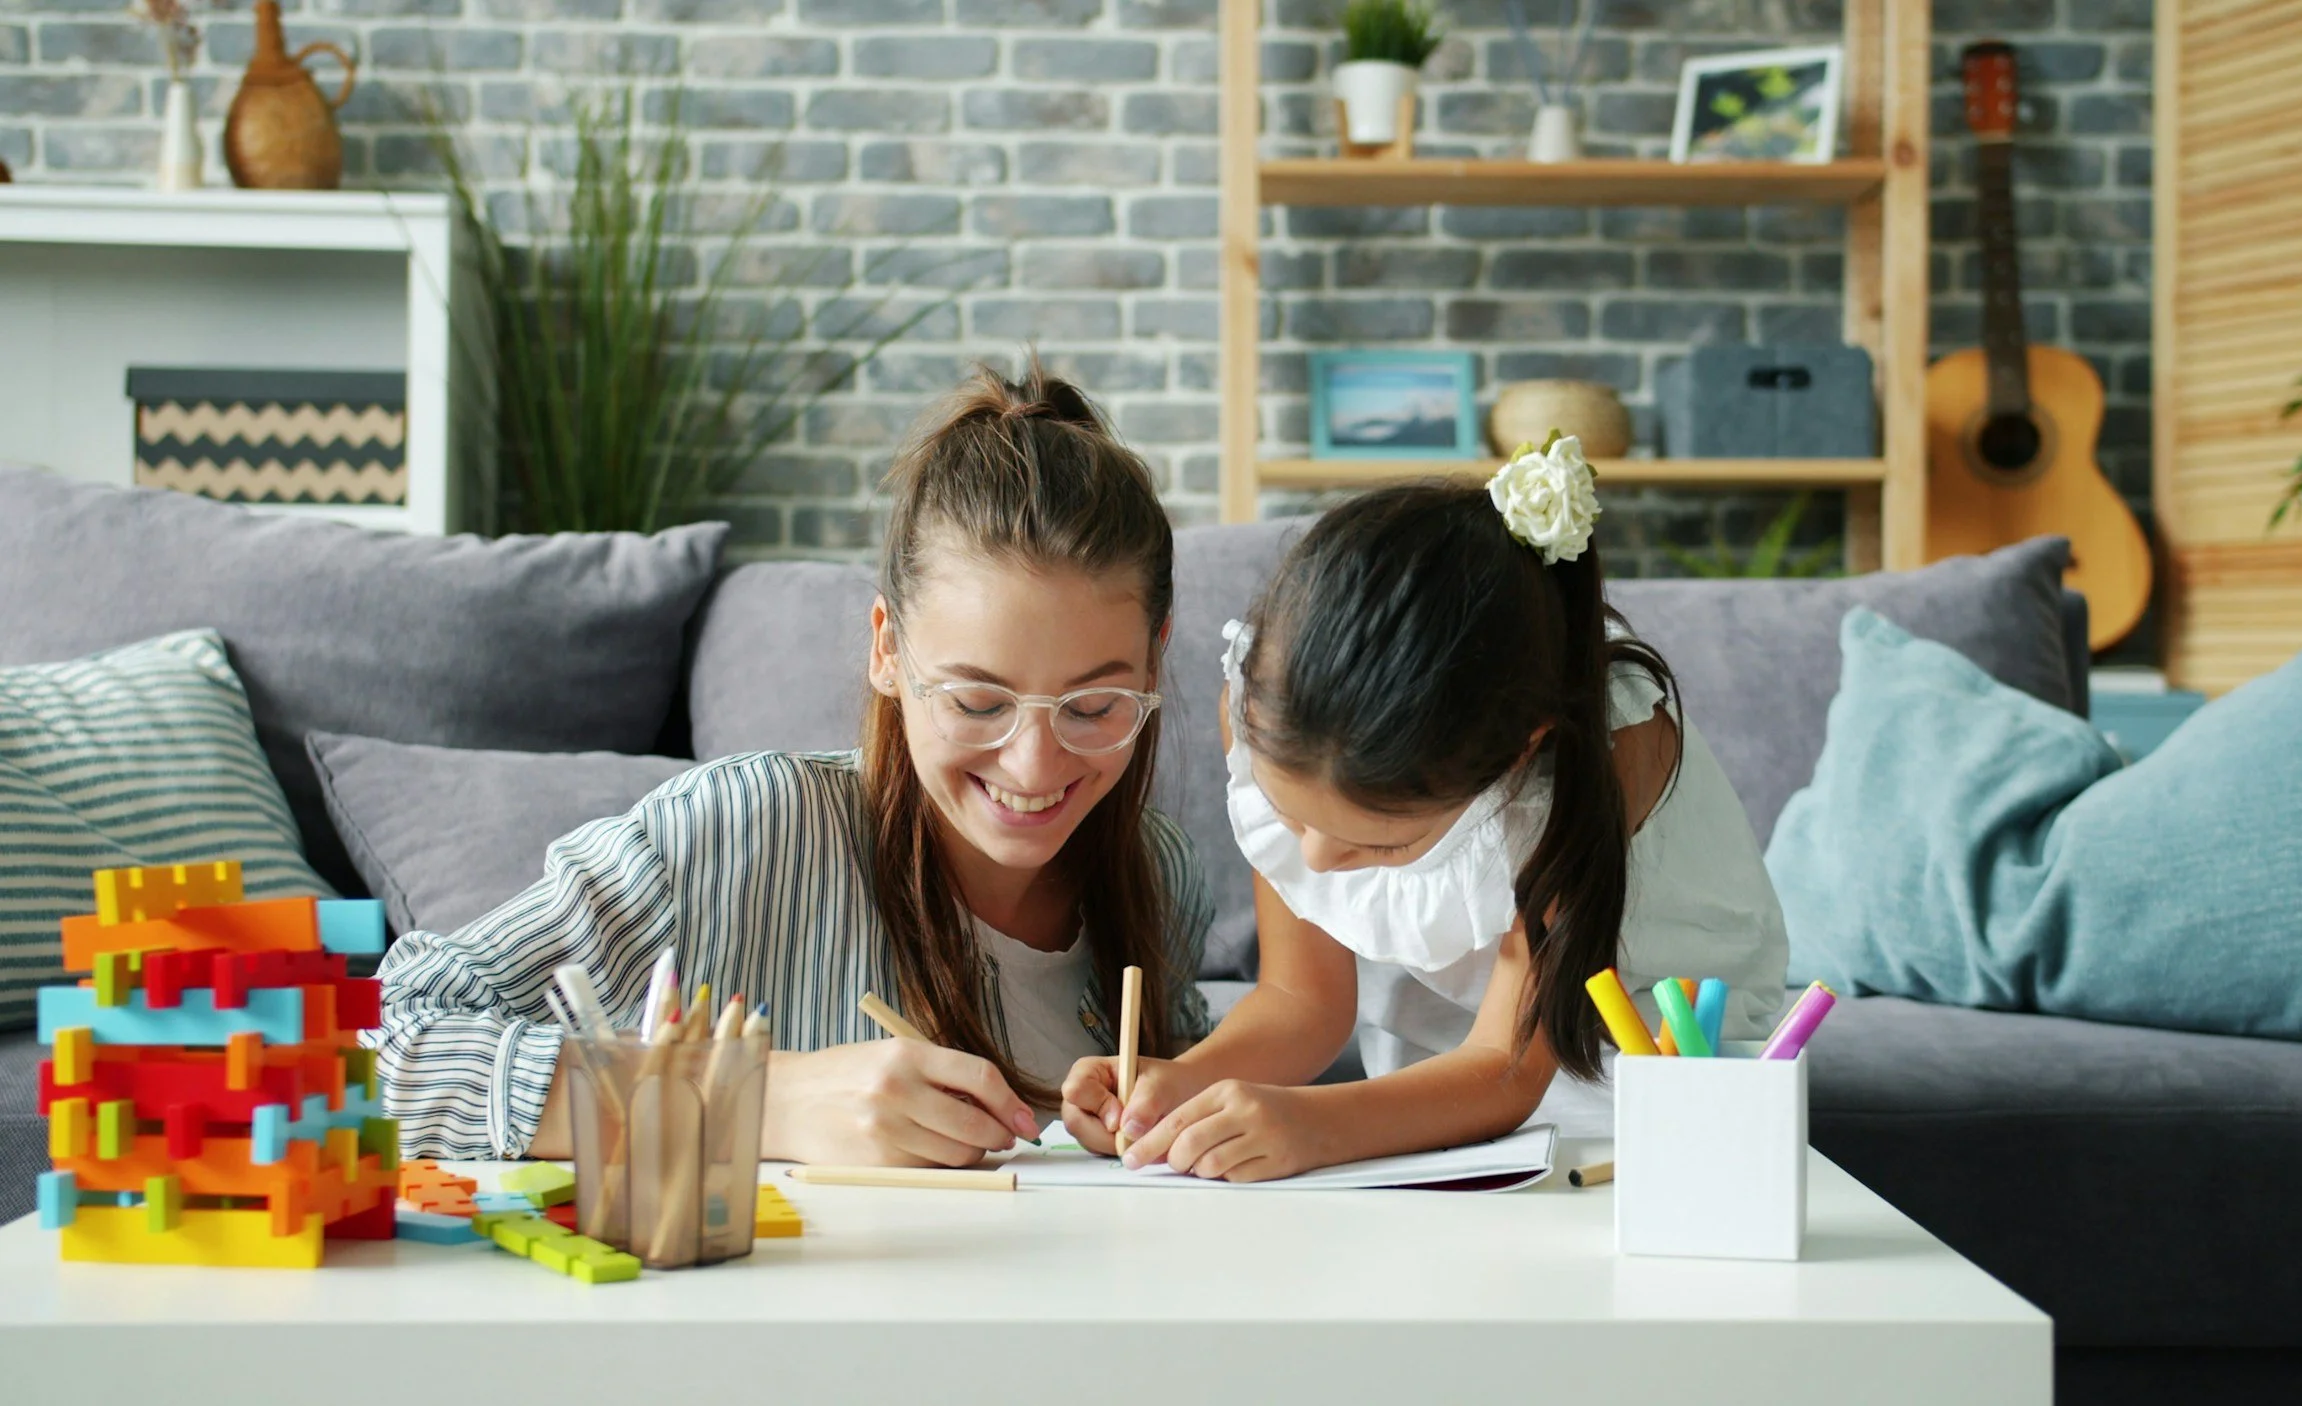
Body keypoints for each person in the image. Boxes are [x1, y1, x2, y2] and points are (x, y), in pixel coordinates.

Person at [373, 366, 1212, 1166]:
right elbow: (380, 1043)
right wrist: (758, 1101)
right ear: (887, 648)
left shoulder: (1159, 871)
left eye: (1093, 708)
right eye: (977, 703)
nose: (1034, 765)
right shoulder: (744, 830)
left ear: (1152, 663)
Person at [1062, 438, 1788, 1182]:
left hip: (1651, 1070)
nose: (1314, 860)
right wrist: (1183, 1084)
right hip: (1434, 1081)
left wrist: (1312, 1123)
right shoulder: (1265, 712)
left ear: (1510, 762)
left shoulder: (1600, 752)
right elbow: (1300, 1001)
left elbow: (1507, 1067)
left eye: (1378, 846)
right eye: (1291, 818)